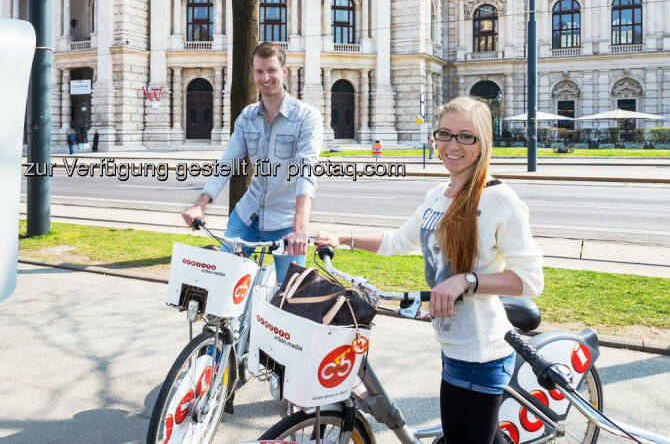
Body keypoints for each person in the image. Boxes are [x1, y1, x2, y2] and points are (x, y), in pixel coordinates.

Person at [317, 96, 543, 444]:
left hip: (481, 353)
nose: (452, 145)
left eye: (466, 136)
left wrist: (465, 281)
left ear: (483, 142)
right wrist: (343, 237)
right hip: (451, 344)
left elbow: (529, 280)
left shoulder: (500, 201)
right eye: (445, 134)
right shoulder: (439, 194)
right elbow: (397, 241)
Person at [182, 42, 323, 282]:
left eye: (271, 70)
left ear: (284, 71)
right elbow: (227, 163)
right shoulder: (247, 117)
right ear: (253, 74)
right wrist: (200, 204)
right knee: (222, 282)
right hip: (247, 216)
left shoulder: (306, 117)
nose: (265, 77)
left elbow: (306, 172)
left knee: (289, 293)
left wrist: (299, 228)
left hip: (286, 223)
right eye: (259, 71)